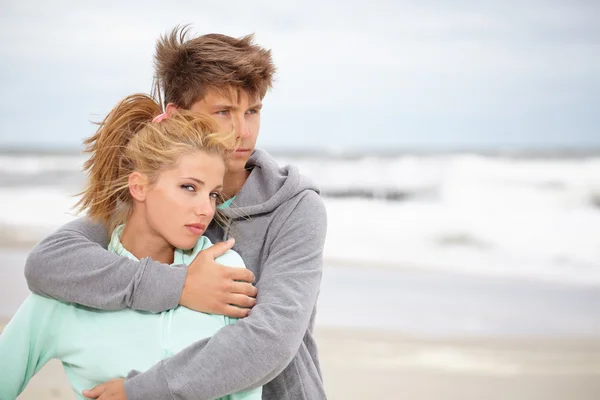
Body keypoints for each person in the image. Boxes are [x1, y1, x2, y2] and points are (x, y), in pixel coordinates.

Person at [24, 27, 328, 400]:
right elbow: (49, 264)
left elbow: (272, 339)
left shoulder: (295, 207)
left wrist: (144, 391)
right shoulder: (152, 197)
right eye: (223, 111)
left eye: (252, 111)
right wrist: (181, 286)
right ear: (176, 116)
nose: (242, 131)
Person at [0, 94, 261, 400]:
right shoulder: (68, 291)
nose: (206, 209)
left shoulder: (226, 272)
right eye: (189, 187)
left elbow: (245, 388)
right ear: (139, 186)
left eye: (213, 194)